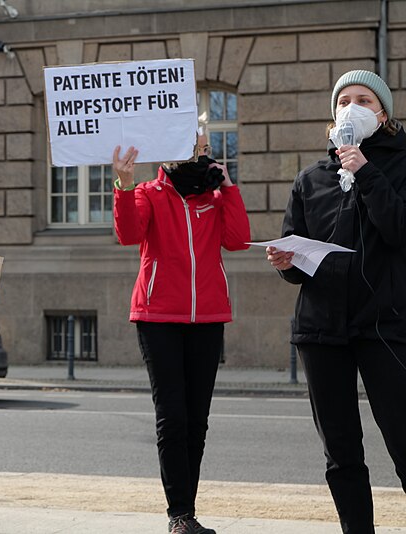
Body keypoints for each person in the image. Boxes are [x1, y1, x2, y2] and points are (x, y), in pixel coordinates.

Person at [267, 70, 406, 534]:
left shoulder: (401, 164)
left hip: (386, 326)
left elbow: (400, 231)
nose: (351, 106)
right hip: (322, 330)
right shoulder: (312, 179)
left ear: (382, 113)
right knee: (341, 451)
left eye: (363, 99)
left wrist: (366, 172)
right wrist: (286, 259)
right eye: (343, 100)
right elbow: (299, 257)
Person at [113, 125, 251, 534]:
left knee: (197, 419)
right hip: (158, 317)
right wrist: (124, 183)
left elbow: (239, 240)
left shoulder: (211, 195)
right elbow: (129, 235)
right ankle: (179, 515)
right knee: (172, 417)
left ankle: (188, 513)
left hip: (207, 317)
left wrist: (228, 188)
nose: (203, 157)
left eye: (206, 149)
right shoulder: (150, 193)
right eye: (197, 149)